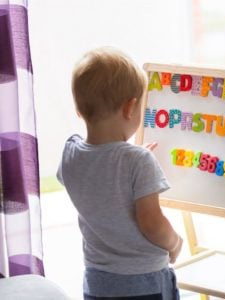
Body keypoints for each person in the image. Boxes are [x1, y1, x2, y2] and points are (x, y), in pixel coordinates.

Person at [57, 47, 183, 300]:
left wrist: (127, 158)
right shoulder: (139, 161)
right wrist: (175, 243)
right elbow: (151, 223)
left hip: (97, 281)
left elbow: (97, 173)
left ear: (79, 110)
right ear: (130, 108)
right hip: (144, 284)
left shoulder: (70, 153)